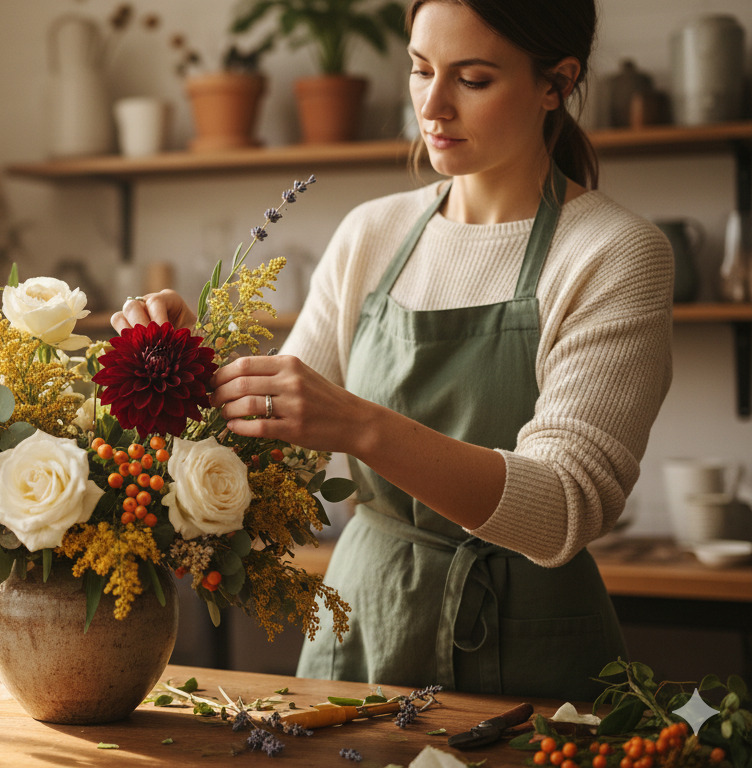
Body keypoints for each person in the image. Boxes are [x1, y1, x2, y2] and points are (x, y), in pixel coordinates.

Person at [112, 0, 672, 700]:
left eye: (472, 79)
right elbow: (276, 464)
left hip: (532, 648)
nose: (431, 106)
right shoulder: (370, 235)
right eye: (419, 69)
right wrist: (187, 363)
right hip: (362, 630)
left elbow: (562, 507)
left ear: (556, 83)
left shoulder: (614, 252)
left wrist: (359, 426)